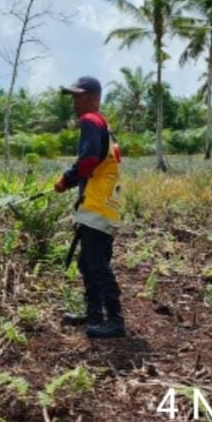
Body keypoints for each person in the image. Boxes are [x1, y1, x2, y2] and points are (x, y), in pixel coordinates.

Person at [54, 76, 125, 339]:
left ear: (94, 97)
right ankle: (94, 315)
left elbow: (89, 159)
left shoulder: (90, 121)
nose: (75, 101)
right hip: (105, 204)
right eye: (73, 96)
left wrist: (66, 180)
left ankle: (115, 320)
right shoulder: (104, 125)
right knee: (89, 262)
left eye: (79, 96)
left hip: (96, 205)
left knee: (96, 264)